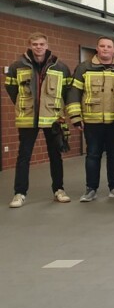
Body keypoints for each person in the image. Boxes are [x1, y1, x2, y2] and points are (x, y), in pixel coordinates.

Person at [6, 32, 72, 207]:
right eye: (35, 44)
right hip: (27, 118)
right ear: (30, 45)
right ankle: (19, 193)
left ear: (47, 45)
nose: (38, 47)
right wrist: (24, 105)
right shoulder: (17, 66)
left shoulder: (61, 67)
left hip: (52, 117)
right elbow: (12, 90)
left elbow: (66, 91)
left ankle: (59, 190)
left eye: (42, 44)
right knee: (24, 156)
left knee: (55, 155)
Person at [66, 36, 114, 202]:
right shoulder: (84, 68)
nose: (105, 49)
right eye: (102, 46)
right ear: (97, 48)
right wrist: (75, 116)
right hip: (92, 121)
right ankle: (91, 189)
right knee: (93, 155)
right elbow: (74, 93)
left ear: (113, 49)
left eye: (108, 46)